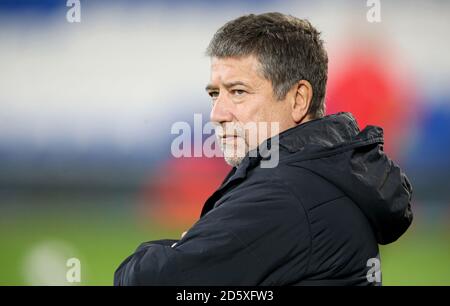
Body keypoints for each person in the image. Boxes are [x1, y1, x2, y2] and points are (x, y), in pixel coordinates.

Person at [114, 12, 413, 286]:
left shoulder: (285, 195)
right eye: (214, 94)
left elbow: (144, 281)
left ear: (298, 100)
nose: (217, 113)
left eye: (238, 92)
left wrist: (180, 248)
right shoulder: (323, 173)